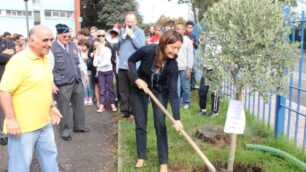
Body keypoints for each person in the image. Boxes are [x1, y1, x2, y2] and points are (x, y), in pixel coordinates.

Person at [0, 25, 62, 172]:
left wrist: (52, 106)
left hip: (45, 124)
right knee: (20, 167)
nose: (49, 43)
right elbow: (4, 91)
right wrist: (11, 120)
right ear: (31, 41)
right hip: (23, 128)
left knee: (50, 161)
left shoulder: (45, 58)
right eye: (45, 40)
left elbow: (45, 85)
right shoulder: (18, 61)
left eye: (51, 39)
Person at [128, 30, 184, 172]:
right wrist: (136, 79)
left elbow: (173, 94)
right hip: (140, 87)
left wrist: (177, 119)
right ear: (164, 44)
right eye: (173, 47)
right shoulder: (148, 51)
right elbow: (131, 61)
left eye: (178, 48)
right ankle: (141, 156)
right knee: (141, 124)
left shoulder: (172, 65)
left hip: (160, 91)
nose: (176, 51)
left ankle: (163, 161)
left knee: (160, 125)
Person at [51, 23, 90, 142]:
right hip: (62, 83)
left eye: (69, 36)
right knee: (64, 109)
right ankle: (65, 131)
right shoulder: (52, 49)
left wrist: (84, 73)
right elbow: (47, 68)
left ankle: (79, 126)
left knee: (79, 105)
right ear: (58, 35)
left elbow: (79, 60)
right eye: (64, 36)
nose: (67, 39)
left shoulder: (72, 45)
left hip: (76, 80)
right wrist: (51, 84)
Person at [118, 12, 145, 118]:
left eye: (132, 22)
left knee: (134, 91)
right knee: (123, 90)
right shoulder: (120, 31)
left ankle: (134, 111)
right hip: (122, 66)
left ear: (136, 22)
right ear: (125, 22)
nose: (130, 24)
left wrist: (132, 36)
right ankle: (125, 111)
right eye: (128, 22)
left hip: (134, 67)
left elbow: (141, 47)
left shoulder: (140, 32)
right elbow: (115, 45)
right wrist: (123, 37)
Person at [93, 37, 117, 112]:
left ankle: (112, 103)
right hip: (101, 73)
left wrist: (98, 66)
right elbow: (94, 64)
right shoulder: (96, 52)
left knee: (110, 88)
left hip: (109, 71)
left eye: (98, 44)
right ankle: (102, 105)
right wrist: (96, 55)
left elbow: (107, 62)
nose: (97, 46)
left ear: (101, 43)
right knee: (102, 89)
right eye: (95, 45)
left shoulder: (107, 50)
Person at [0, 33, 15, 146]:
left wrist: (5, 54)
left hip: (6, 81)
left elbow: (12, 56)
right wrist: (3, 53)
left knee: (5, 108)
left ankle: (5, 133)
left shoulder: (9, 42)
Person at [176, 23, 194, 110]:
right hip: (175, 68)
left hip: (184, 68)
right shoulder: (173, 40)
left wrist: (189, 69)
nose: (177, 30)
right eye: (177, 29)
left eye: (179, 29)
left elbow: (190, 56)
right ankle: (178, 102)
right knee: (176, 87)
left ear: (184, 30)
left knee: (185, 87)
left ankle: (186, 102)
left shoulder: (188, 41)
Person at [185, 21, 199, 89]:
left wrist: (193, 43)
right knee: (185, 70)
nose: (190, 29)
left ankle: (193, 85)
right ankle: (185, 84)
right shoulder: (183, 35)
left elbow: (196, 46)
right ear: (185, 27)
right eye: (188, 27)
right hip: (184, 55)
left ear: (193, 28)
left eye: (191, 27)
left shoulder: (194, 36)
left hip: (192, 54)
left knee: (194, 70)